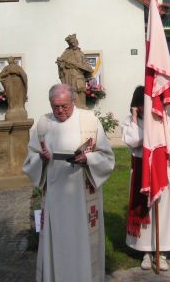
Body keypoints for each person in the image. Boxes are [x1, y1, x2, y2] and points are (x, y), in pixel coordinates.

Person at [23, 84, 115, 282]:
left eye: (65, 106)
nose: (61, 111)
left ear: (73, 101)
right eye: (56, 107)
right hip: (55, 196)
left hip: (82, 196)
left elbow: (107, 157)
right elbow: (30, 160)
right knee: (58, 243)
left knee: (81, 243)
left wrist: (88, 159)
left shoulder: (89, 120)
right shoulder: (43, 124)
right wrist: (43, 159)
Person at [121, 86, 170, 271]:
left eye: (147, 104)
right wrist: (136, 118)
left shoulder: (164, 118)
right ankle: (146, 251)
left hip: (161, 170)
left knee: (162, 211)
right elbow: (132, 140)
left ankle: (162, 252)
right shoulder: (130, 121)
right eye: (140, 105)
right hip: (140, 170)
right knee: (144, 210)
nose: (144, 108)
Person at [56, 34, 92, 108]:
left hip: (79, 77)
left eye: (74, 42)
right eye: (71, 43)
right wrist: (61, 64)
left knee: (81, 93)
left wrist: (85, 69)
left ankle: (82, 106)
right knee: (72, 93)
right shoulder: (66, 53)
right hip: (70, 76)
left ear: (77, 42)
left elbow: (87, 66)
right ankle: (73, 107)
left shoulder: (81, 54)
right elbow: (61, 64)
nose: (73, 44)